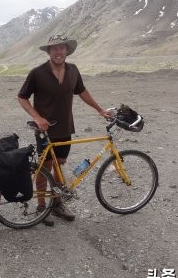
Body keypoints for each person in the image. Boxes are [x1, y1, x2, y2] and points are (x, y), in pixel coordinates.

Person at [17, 34, 111, 226]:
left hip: (65, 127)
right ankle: (42, 207)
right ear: (49, 52)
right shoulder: (37, 73)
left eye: (62, 48)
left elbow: (82, 91)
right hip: (45, 130)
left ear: (67, 50)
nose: (58, 52)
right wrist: (37, 117)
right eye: (54, 48)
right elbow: (22, 97)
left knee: (60, 164)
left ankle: (58, 203)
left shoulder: (73, 70)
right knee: (45, 168)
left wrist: (99, 109)